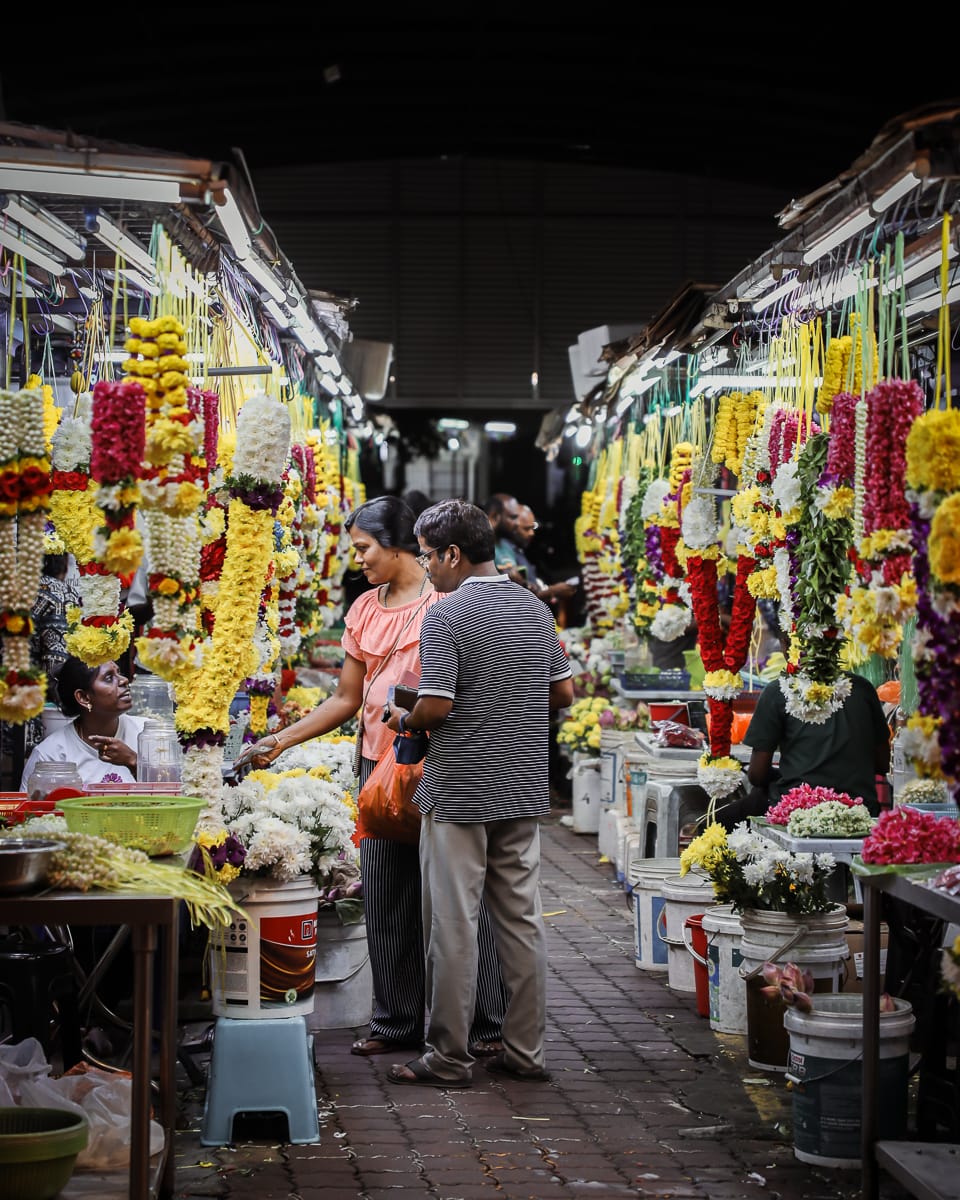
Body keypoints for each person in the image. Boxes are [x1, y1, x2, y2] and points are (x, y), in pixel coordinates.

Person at [236, 496, 508, 1057]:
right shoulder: (363, 609)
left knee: (458, 899)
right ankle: (396, 1020)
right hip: (378, 768)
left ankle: (485, 1025)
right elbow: (345, 698)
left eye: (364, 548)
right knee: (386, 896)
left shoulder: (450, 601)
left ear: (401, 546)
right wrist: (279, 740)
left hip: (442, 764)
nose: (357, 559)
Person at [383, 499, 573, 1087]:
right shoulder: (533, 607)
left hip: (460, 787)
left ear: (453, 554)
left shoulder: (446, 613)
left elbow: (436, 704)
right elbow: (563, 695)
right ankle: (525, 1051)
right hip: (521, 783)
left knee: (454, 922)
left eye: (428, 555)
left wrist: (403, 717)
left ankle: (449, 1056)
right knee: (521, 919)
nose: (426, 566)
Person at [716, 640, 891, 829]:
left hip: (798, 812)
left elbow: (757, 775)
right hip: (861, 809)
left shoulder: (778, 691)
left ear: (786, 644)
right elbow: (882, 764)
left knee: (717, 821)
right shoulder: (863, 689)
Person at [21, 656, 146, 791]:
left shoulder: (148, 733)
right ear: (84, 698)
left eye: (119, 673)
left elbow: (170, 794)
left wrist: (133, 761)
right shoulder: (50, 755)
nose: (124, 680)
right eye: (109, 678)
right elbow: (32, 809)